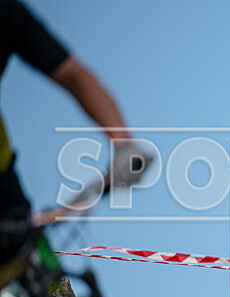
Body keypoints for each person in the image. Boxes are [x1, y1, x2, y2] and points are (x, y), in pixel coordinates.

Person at [0, 0, 147, 263]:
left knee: (56, 295)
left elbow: (74, 76)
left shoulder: (5, 12)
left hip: (6, 195)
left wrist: (123, 144)